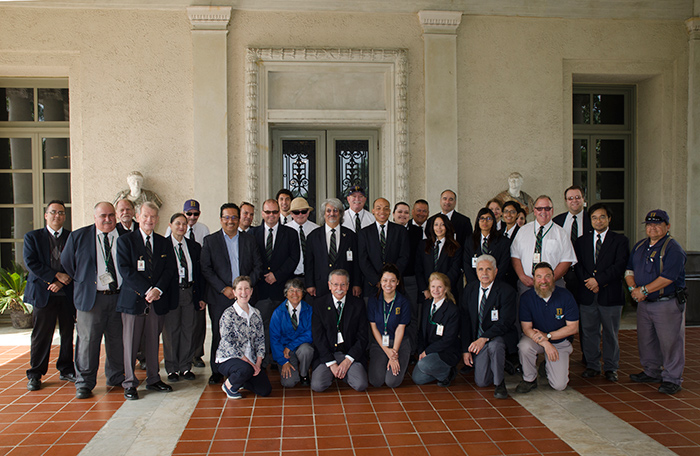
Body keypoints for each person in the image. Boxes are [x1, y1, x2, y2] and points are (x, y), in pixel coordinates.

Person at [61, 202, 125, 399]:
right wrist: (86, 281)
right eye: (103, 216)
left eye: (111, 215)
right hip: (92, 299)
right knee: (88, 342)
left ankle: (116, 377)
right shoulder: (78, 237)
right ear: (95, 217)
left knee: (117, 340)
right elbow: (67, 263)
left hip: (119, 298)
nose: (107, 219)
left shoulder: (125, 237)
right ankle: (85, 383)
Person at [116, 202, 177, 400]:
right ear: (138, 217)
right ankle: (130, 383)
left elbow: (170, 270)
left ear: (157, 219)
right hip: (134, 301)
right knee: (131, 343)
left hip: (157, 301)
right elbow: (126, 270)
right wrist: (147, 290)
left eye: (153, 217)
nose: (149, 220)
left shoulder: (164, 242)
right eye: (145, 216)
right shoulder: (125, 241)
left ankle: (153, 379)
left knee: (153, 341)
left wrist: (158, 289)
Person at [626, 209, 687, 395]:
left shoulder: (672, 248)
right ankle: (651, 371)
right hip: (644, 303)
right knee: (646, 340)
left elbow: (668, 278)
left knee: (670, 342)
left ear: (667, 226)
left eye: (657, 224)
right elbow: (629, 271)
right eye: (649, 224)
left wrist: (643, 290)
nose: (652, 228)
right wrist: (633, 290)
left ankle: (672, 378)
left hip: (666, 303)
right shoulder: (640, 246)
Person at [200, 203, 263, 384]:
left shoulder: (249, 240)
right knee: (221, 334)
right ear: (221, 219)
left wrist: (244, 289)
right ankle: (217, 370)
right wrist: (223, 288)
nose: (230, 221)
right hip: (220, 296)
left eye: (234, 217)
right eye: (226, 217)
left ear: (239, 219)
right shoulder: (210, 241)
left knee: (247, 333)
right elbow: (206, 268)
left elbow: (258, 266)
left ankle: (247, 367)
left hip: (245, 296)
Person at [24, 200, 75, 391]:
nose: (57, 216)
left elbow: (77, 262)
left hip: (66, 293)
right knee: (41, 335)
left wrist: (62, 281)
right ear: (46, 215)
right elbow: (31, 263)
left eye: (61, 213)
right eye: (53, 212)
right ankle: (35, 373)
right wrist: (53, 278)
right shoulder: (33, 237)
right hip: (43, 293)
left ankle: (66, 368)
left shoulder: (72, 237)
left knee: (67, 332)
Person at [574, 203, 629, 381]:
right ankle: (592, 365)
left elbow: (620, 265)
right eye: (594, 218)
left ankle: (611, 367)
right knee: (589, 332)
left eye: (602, 217)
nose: (598, 221)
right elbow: (578, 265)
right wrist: (590, 283)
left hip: (610, 294)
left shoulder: (620, 240)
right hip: (587, 294)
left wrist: (599, 281)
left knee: (610, 333)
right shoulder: (581, 241)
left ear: (609, 219)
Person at [516, 262, 579, 393]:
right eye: (539, 277)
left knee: (559, 386)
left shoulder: (566, 296)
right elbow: (526, 328)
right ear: (533, 279)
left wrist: (549, 336)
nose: (543, 281)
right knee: (524, 346)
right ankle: (529, 379)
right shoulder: (526, 298)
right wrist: (545, 342)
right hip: (536, 339)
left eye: (547, 276)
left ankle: (546, 366)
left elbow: (573, 328)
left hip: (559, 341)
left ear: (553, 277)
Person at [460, 255, 517, 399]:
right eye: (480, 269)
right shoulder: (470, 289)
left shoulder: (506, 291)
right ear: (476, 272)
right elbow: (465, 320)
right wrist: (466, 349)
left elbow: (505, 322)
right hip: (478, 340)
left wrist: (484, 338)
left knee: (495, 346)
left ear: (496, 271)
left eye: (488, 269)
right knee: (482, 382)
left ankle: (500, 384)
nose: (484, 273)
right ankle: (500, 364)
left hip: (498, 335)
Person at [252, 199, 301, 364]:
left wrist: (277, 275)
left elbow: (294, 258)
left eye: (274, 212)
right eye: (267, 212)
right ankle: (263, 359)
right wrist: (262, 275)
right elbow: (250, 259)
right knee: (262, 327)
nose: (271, 215)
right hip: (260, 289)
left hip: (282, 287)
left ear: (279, 212)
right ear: (262, 213)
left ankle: (280, 359)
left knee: (283, 325)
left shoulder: (290, 233)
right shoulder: (252, 234)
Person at [164, 199, 210, 369]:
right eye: (178, 223)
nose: (182, 226)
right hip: (172, 293)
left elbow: (199, 271)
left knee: (189, 330)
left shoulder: (194, 246)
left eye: (184, 224)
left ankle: (185, 366)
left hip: (190, 291)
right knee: (171, 331)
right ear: (171, 225)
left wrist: (201, 295)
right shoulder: (164, 245)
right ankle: (172, 367)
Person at [310, 269, 368, 392]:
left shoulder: (358, 304)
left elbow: (363, 337)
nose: (339, 288)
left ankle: (343, 372)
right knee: (317, 386)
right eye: (335, 284)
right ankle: (336, 372)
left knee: (360, 385)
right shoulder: (319, 304)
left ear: (348, 286)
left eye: (343, 284)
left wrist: (348, 361)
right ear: (329, 285)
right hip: (327, 355)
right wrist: (332, 364)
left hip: (350, 354)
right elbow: (318, 337)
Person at [217, 276, 271, 399]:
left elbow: (260, 340)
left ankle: (242, 381)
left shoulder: (256, 313)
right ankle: (229, 385)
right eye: (240, 289)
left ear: (251, 291)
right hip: (229, 358)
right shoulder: (228, 314)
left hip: (250, 362)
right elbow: (228, 342)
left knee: (265, 390)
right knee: (245, 369)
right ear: (234, 292)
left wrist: (257, 364)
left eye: (247, 288)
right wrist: (249, 363)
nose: (244, 292)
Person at [510, 195, 577, 295]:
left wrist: (550, 279)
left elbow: (566, 260)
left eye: (547, 208)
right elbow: (515, 256)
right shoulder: (523, 231)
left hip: (553, 284)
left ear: (552, 211)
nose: (543, 212)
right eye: (539, 208)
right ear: (535, 211)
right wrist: (522, 276)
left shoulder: (561, 233)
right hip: (526, 284)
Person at [305, 198, 362, 298]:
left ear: (340, 214)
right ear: (324, 214)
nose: (332, 213)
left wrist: (357, 283)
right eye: (328, 211)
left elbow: (356, 262)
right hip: (321, 285)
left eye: (336, 210)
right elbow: (309, 262)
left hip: (344, 286)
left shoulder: (351, 236)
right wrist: (310, 284)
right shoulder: (313, 236)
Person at [412, 272, 461, 387]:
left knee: (424, 365)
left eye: (440, 287)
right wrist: (421, 351)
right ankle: (440, 371)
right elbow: (421, 332)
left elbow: (448, 339)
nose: (436, 290)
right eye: (433, 286)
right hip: (429, 352)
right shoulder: (426, 305)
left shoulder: (452, 310)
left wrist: (427, 352)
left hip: (446, 352)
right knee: (417, 379)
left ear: (446, 289)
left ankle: (446, 373)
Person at [367, 265, 411, 388]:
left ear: (397, 282)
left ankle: (401, 363)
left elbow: (400, 329)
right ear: (380, 281)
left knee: (392, 382)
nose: (388, 284)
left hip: (399, 343)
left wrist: (394, 354)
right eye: (385, 280)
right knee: (376, 381)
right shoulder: (373, 300)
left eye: (392, 281)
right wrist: (387, 351)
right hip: (380, 343)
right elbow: (374, 327)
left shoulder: (404, 301)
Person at [358, 198, 409, 297]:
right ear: (373, 211)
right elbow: (363, 260)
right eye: (378, 208)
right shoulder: (364, 233)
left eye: (386, 208)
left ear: (390, 211)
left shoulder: (400, 231)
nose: (382, 212)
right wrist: (377, 280)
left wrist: (391, 279)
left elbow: (404, 256)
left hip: (394, 285)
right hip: (372, 286)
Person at [269, 278, 314, 387]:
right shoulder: (278, 313)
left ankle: (304, 373)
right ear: (286, 293)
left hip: (301, 347)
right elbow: (274, 339)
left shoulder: (309, 310)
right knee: (289, 383)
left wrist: (291, 345)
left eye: (298, 290)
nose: (295, 294)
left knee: (306, 350)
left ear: (302, 293)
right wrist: (284, 361)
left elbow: (310, 333)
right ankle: (291, 368)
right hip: (285, 352)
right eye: (291, 290)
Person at [415, 214, 462, 302]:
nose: (439, 228)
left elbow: (455, 270)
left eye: (442, 224)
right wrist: (426, 289)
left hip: (447, 292)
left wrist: (441, 288)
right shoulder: (423, 245)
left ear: (447, 226)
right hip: (427, 293)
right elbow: (418, 269)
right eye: (436, 224)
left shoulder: (455, 247)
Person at [463, 208, 510, 286]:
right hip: (474, 284)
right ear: (478, 221)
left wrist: (491, 283)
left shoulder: (503, 241)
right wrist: (476, 284)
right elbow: (467, 264)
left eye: (488, 218)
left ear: (493, 221)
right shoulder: (470, 240)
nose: (485, 221)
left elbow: (503, 265)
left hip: (496, 284)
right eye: (482, 218)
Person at [285, 197, 320, 280]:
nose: (300, 215)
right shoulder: (284, 231)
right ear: (291, 214)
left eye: (303, 211)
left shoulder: (316, 230)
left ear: (308, 212)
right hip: (290, 277)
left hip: (312, 277)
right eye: (296, 212)